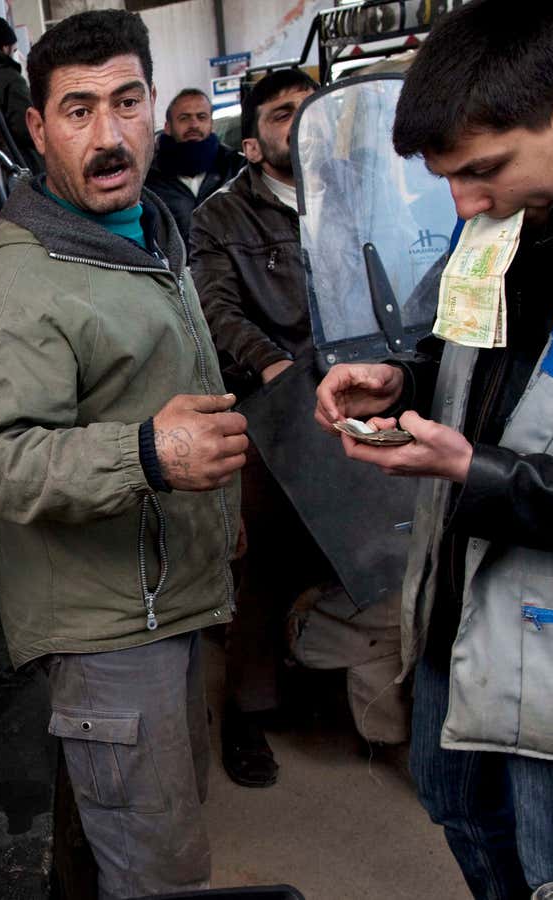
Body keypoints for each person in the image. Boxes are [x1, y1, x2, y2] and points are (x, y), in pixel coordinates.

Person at [315, 0, 553, 892]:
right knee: (455, 800)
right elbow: (462, 346)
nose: (465, 205)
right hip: (457, 592)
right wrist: (404, 379)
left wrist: (480, 475)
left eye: (482, 172)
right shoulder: (501, 215)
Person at [0, 11, 245, 897]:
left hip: (168, 596)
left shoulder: (148, 229)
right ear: (36, 128)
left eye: (126, 101)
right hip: (109, 629)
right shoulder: (18, 276)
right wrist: (150, 454)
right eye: (77, 111)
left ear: (155, 106)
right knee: (156, 872)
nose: (109, 136)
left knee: (169, 837)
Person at [189, 69, 321, 789]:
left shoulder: (359, 192)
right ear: (249, 143)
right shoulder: (221, 216)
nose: (298, 124)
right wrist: (273, 366)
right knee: (263, 558)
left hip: (361, 387)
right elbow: (214, 309)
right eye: (280, 114)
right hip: (270, 400)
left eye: (308, 108)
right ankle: (245, 709)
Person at [146, 87, 246, 245]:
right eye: (184, 118)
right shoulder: (148, 178)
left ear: (211, 124)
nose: (194, 124)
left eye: (201, 117)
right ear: (167, 127)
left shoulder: (237, 168)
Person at [0, 15, 42, 175]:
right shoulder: (11, 78)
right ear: (5, 47)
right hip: (20, 164)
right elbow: (25, 128)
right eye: (14, 49)